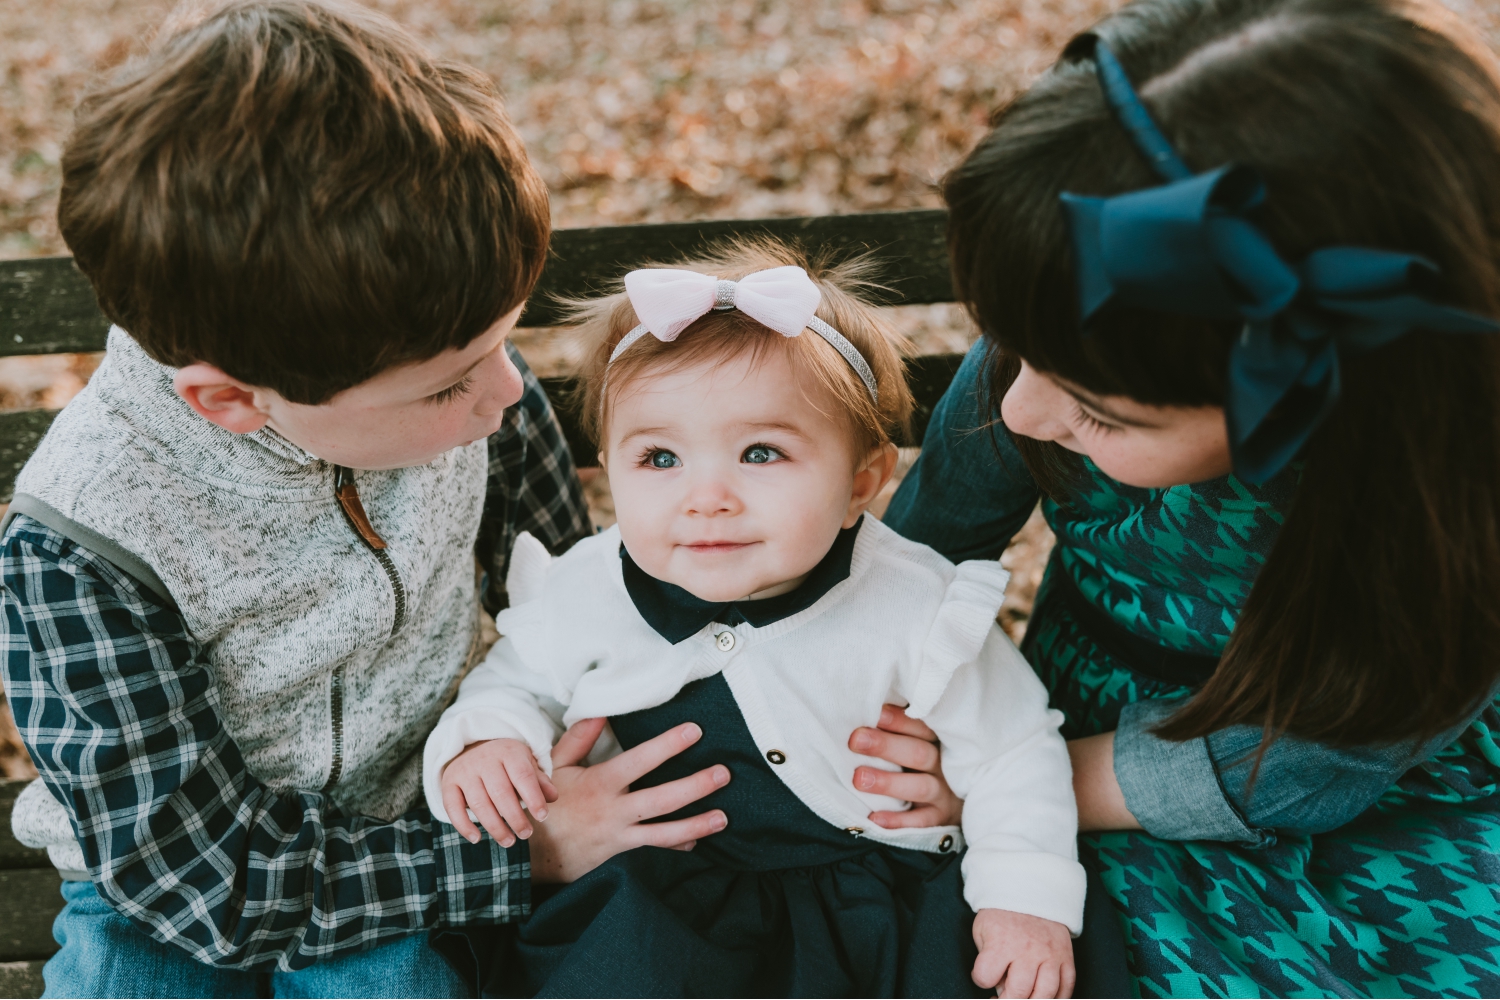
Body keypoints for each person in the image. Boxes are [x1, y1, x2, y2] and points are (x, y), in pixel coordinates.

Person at [0, 2, 744, 995]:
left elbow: (576, 616)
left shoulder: (462, 372)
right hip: (169, 895)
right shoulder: (84, 545)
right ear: (229, 398)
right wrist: (517, 859)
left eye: (499, 345)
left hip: (417, 820)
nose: (508, 395)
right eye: (450, 384)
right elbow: (198, 878)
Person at [883, 0, 1500, 994]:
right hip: (1071, 710)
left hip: (1320, 766)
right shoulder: (1075, 319)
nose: (1025, 413)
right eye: (1013, 353)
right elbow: (923, 544)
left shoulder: (1439, 510)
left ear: (1330, 404)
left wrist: (1008, 782)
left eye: (1099, 414)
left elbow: (1312, 763)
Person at [423, 241, 1086, 998]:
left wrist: (1023, 900)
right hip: (659, 902)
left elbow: (1012, 751)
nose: (707, 496)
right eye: (661, 459)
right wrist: (489, 740)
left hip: (868, 899)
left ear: (860, 482)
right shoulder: (586, 590)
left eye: (761, 453)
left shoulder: (914, 602)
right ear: (609, 469)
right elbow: (515, 681)